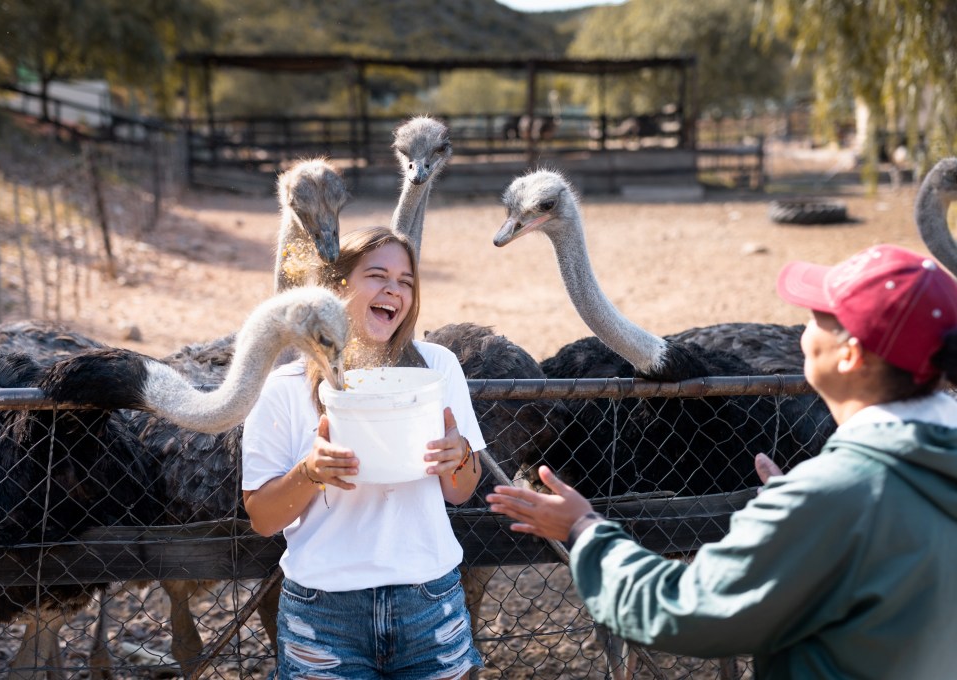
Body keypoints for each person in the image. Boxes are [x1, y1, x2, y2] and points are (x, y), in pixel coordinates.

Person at [487, 243, 957, 679]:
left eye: (819, 317)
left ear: (850, 355)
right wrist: (798, 514)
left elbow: (686, 612)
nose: (804, 329)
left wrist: (584, 530)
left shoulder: (831, 497)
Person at [242, 226, 485, 679]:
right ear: (337, 286)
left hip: (429, 601)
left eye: (406, 281)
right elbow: (263, 518)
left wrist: (460, 456)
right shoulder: (282, 389)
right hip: (324, 613)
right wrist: (310, 473)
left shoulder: (438, 368)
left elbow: (460, 490)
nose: (394, 289)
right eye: (377, 276)